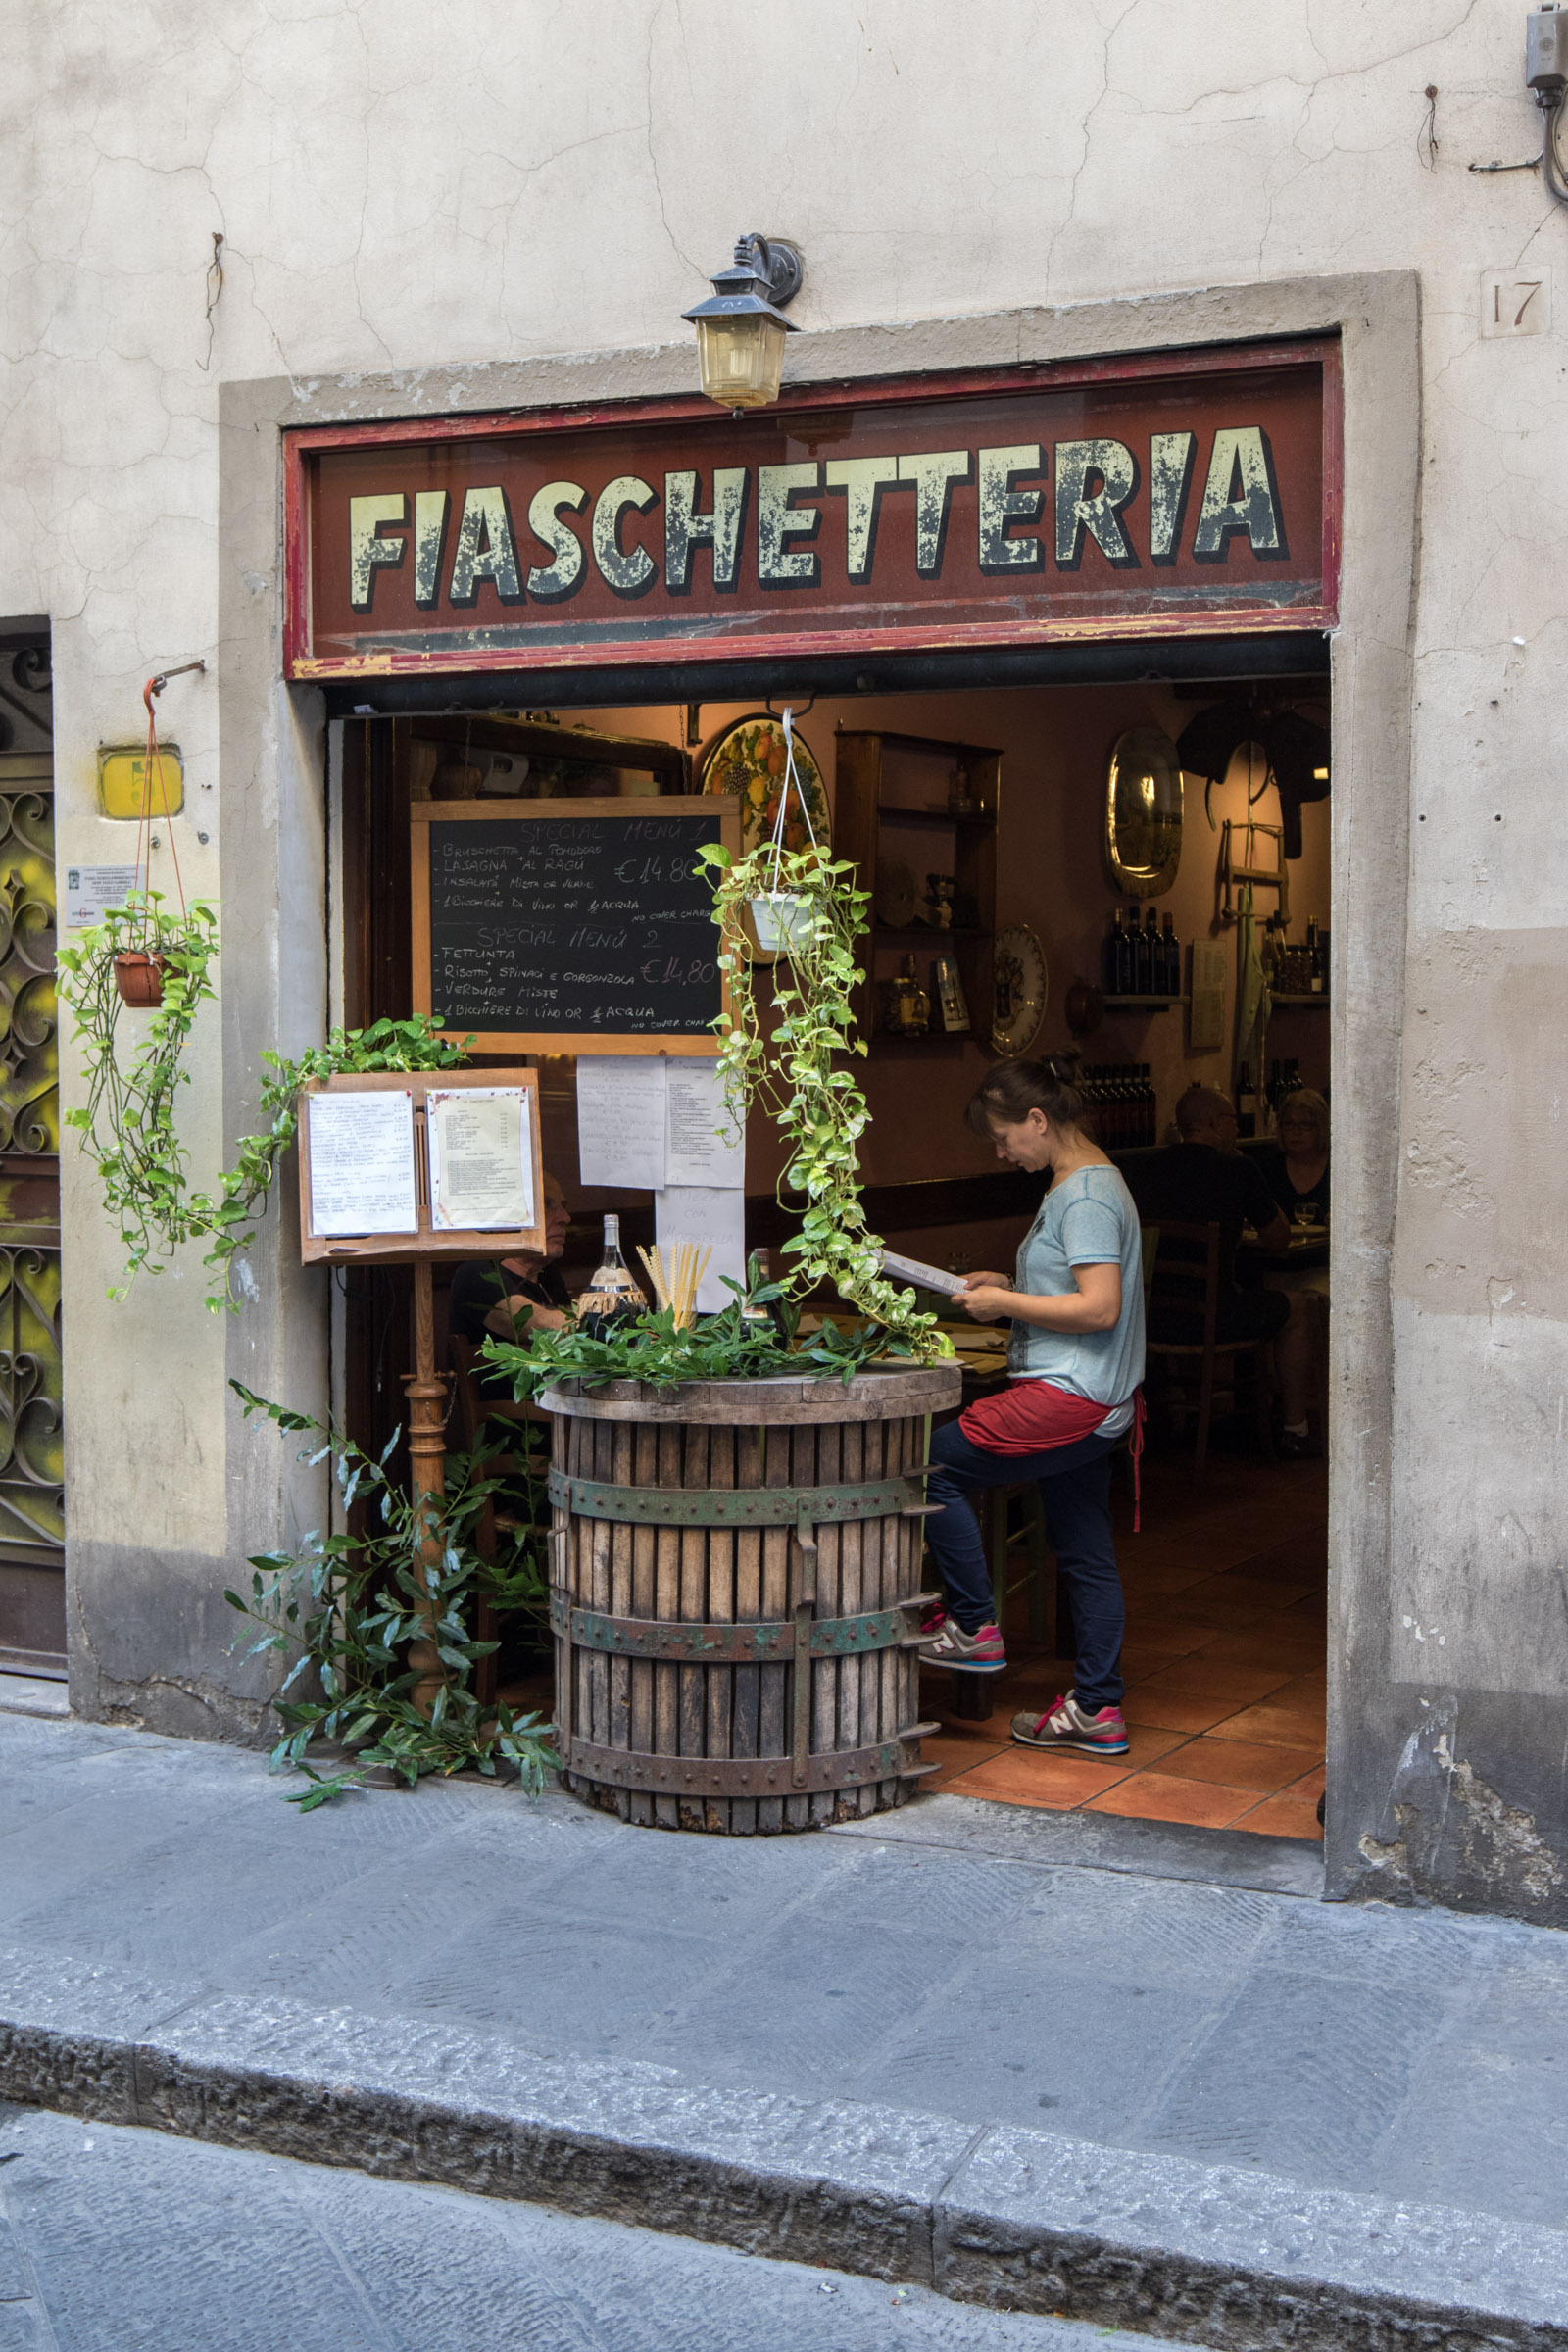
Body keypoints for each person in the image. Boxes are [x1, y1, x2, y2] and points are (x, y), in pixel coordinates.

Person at [918, 1056, 1146, 1760]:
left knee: (927, 1467)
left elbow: (1099, 1307)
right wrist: (1011, 1281)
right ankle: (1097, 1708)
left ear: (1038, 1120)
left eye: (1003, 1137)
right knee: (1083, 1551)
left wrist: (1004, 1303)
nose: (1000, 1152)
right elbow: (1078, 1286)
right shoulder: (1089, 1181)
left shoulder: (1082, 1196)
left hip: (1068, 1395)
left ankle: (973, 1625)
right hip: (1101, 1398)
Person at [1254, 1088, 1331, 1455]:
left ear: (1323, 1130)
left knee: (1304, 1305)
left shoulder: (1337, 1167)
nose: (1297, 1132)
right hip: (1275, 1265)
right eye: (1289, 1125)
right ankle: (1281, 1412)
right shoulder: (1267, 1169)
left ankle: (1295, 1420)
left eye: (1306, 1125)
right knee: (1274, 1302)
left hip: (1320, 1266)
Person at [447, 1171, 573, 1393]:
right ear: (510, 1213)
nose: (565, 1217)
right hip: (517, 1422)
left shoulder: (547, 1275)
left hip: (556, 1411)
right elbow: (542, 1325)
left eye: (563, 1205)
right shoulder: (477, 1273)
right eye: (547, 1204)